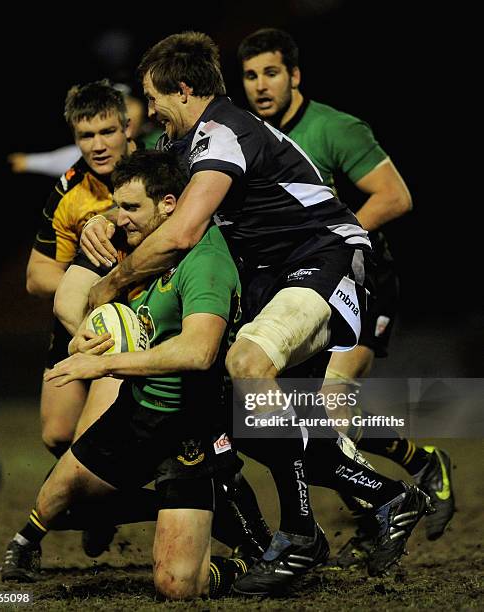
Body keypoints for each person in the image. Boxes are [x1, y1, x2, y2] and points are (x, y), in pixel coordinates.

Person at [78, 32, 432, 595]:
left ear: (185, 89)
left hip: (326, 259)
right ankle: (393, 497)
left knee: (247, 362)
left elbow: (182, 231)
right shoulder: (189, 144)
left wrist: (112, 285)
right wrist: (100, 217)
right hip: (283, 278)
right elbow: (138, 188)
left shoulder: (222, 133)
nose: (148, 112)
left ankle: (298, 538)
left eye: (152, 97)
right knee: (263, 426)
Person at [236, 27, 455, 564]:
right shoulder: (244, 137)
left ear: (295, 76)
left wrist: (331, 241)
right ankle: (416, 463)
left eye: (271, 73)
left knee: (326, 404)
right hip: (298, 284)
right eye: (249, 75)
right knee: (305, 412)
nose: (261, 86)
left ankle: (383, 511)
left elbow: (395, 196)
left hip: (360, 277)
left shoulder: (335, 127)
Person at [1, 149, 250, 599]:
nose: (119, 217)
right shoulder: (127, 237)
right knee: (63, 505)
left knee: (176, 585)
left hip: (187, 428)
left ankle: (242, 559)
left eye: (131, 207)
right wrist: (83, 337)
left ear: (170, 205)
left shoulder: (205, 262)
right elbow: (68, 296)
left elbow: (198, 351)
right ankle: (25, 542)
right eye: (116, 205)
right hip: (137, 407)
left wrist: (104, 363)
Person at [23, 78, 138, 556]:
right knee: (55, 433)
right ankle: (103, 507)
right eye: (86, 135)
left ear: (127, 127)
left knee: (96, 440)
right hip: (79, 320)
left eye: (107, 131)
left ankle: (102, 498)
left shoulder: (158, 170)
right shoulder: (69, 189)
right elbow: (35, 277)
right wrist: (88, 277)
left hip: (135, 322)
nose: (97, 145)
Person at [7, 84, 162, 177]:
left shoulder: (162, 140)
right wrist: (29, 162)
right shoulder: (73, 188)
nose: (98, 146)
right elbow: (73, 157)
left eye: (127, 104)